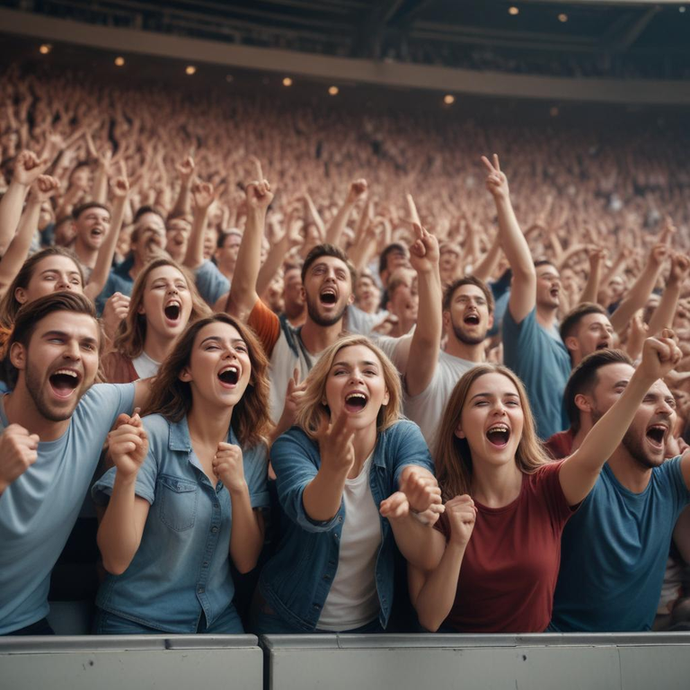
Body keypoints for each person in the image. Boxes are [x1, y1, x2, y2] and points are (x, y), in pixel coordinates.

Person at [408, 331, 682, 633]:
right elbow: (429, 618)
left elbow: (592, 457)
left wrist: (643, 379)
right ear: (459, 426)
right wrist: (458, 542)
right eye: (482, 403)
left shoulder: (548, 488)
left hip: (538, 668)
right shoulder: (437, 500)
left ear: (523, 421)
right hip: (460, 669)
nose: (500, 409)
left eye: (511, 403)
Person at [92, 314, 271, 634]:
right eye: (213, 346)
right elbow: (115, 560)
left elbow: (246, 562)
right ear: (185, 371)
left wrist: (239, 489)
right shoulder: (152, 434)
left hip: (215, 621)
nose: (230, 353)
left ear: (251, 377)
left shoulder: (254, 450)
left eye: (240, 349)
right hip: (137, 619)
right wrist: (126, 476)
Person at [253, 335, 443, 634]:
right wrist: (334, 469)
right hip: (286, 619)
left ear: (386, 396)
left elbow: (415, 471)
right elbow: (313, 515)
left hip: (370, 627)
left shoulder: (402, 436)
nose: (356, 377)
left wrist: (416, 492)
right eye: (341, 371)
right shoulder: (292, 445)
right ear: (325, 395)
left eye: (369, 371)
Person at [0, 292, 147, 635]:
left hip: (24, 626)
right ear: (19, 354)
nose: (73, 353)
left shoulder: (95, 406)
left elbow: (177, 382)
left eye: (87, 345)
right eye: (56, 339)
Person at [549, 348, 690, 631]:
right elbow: (590, 460)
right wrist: (644, 378)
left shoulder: (671, 480)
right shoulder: (576, 476)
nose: (665, 409)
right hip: (563, 655)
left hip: (636, 659)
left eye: (670, 402)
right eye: (646, 398)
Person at [482, 154, 571, 439]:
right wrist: (503, 200)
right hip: (530, 456)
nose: (554, 282)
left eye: (558, 279)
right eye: (546, 277)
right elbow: (523, 271)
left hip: (564, 461)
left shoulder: (566, 337)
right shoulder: (523, 329)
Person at [101, 258, 210, 383]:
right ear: (141, 306)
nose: (173, 290)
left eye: (180, 286)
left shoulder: (203, 368)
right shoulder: (112, 366)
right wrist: (107, 331)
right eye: (160, 286)